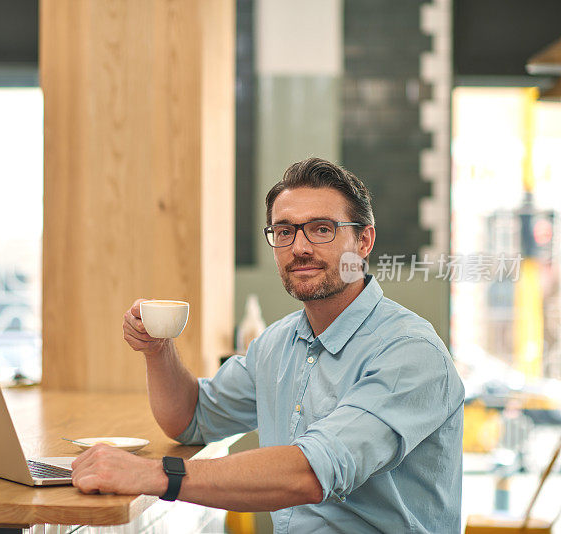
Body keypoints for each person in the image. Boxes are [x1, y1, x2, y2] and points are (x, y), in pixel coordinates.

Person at [71, 157, 465, 533]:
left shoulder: (410, 352)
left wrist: (154, 475)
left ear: (364, 241)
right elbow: (190, 419)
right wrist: (158, 350)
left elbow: (311, 473)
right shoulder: (278, 344)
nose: (300, 247)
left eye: (322, 229)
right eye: (284, 231)